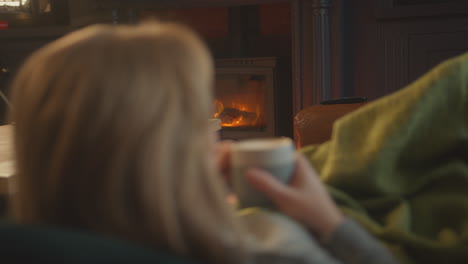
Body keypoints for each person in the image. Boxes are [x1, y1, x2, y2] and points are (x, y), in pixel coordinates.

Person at [8, 22, 398, 264]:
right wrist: (329, 221)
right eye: (198, 117)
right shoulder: (266, 251)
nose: (216, 132)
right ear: (163, 151)